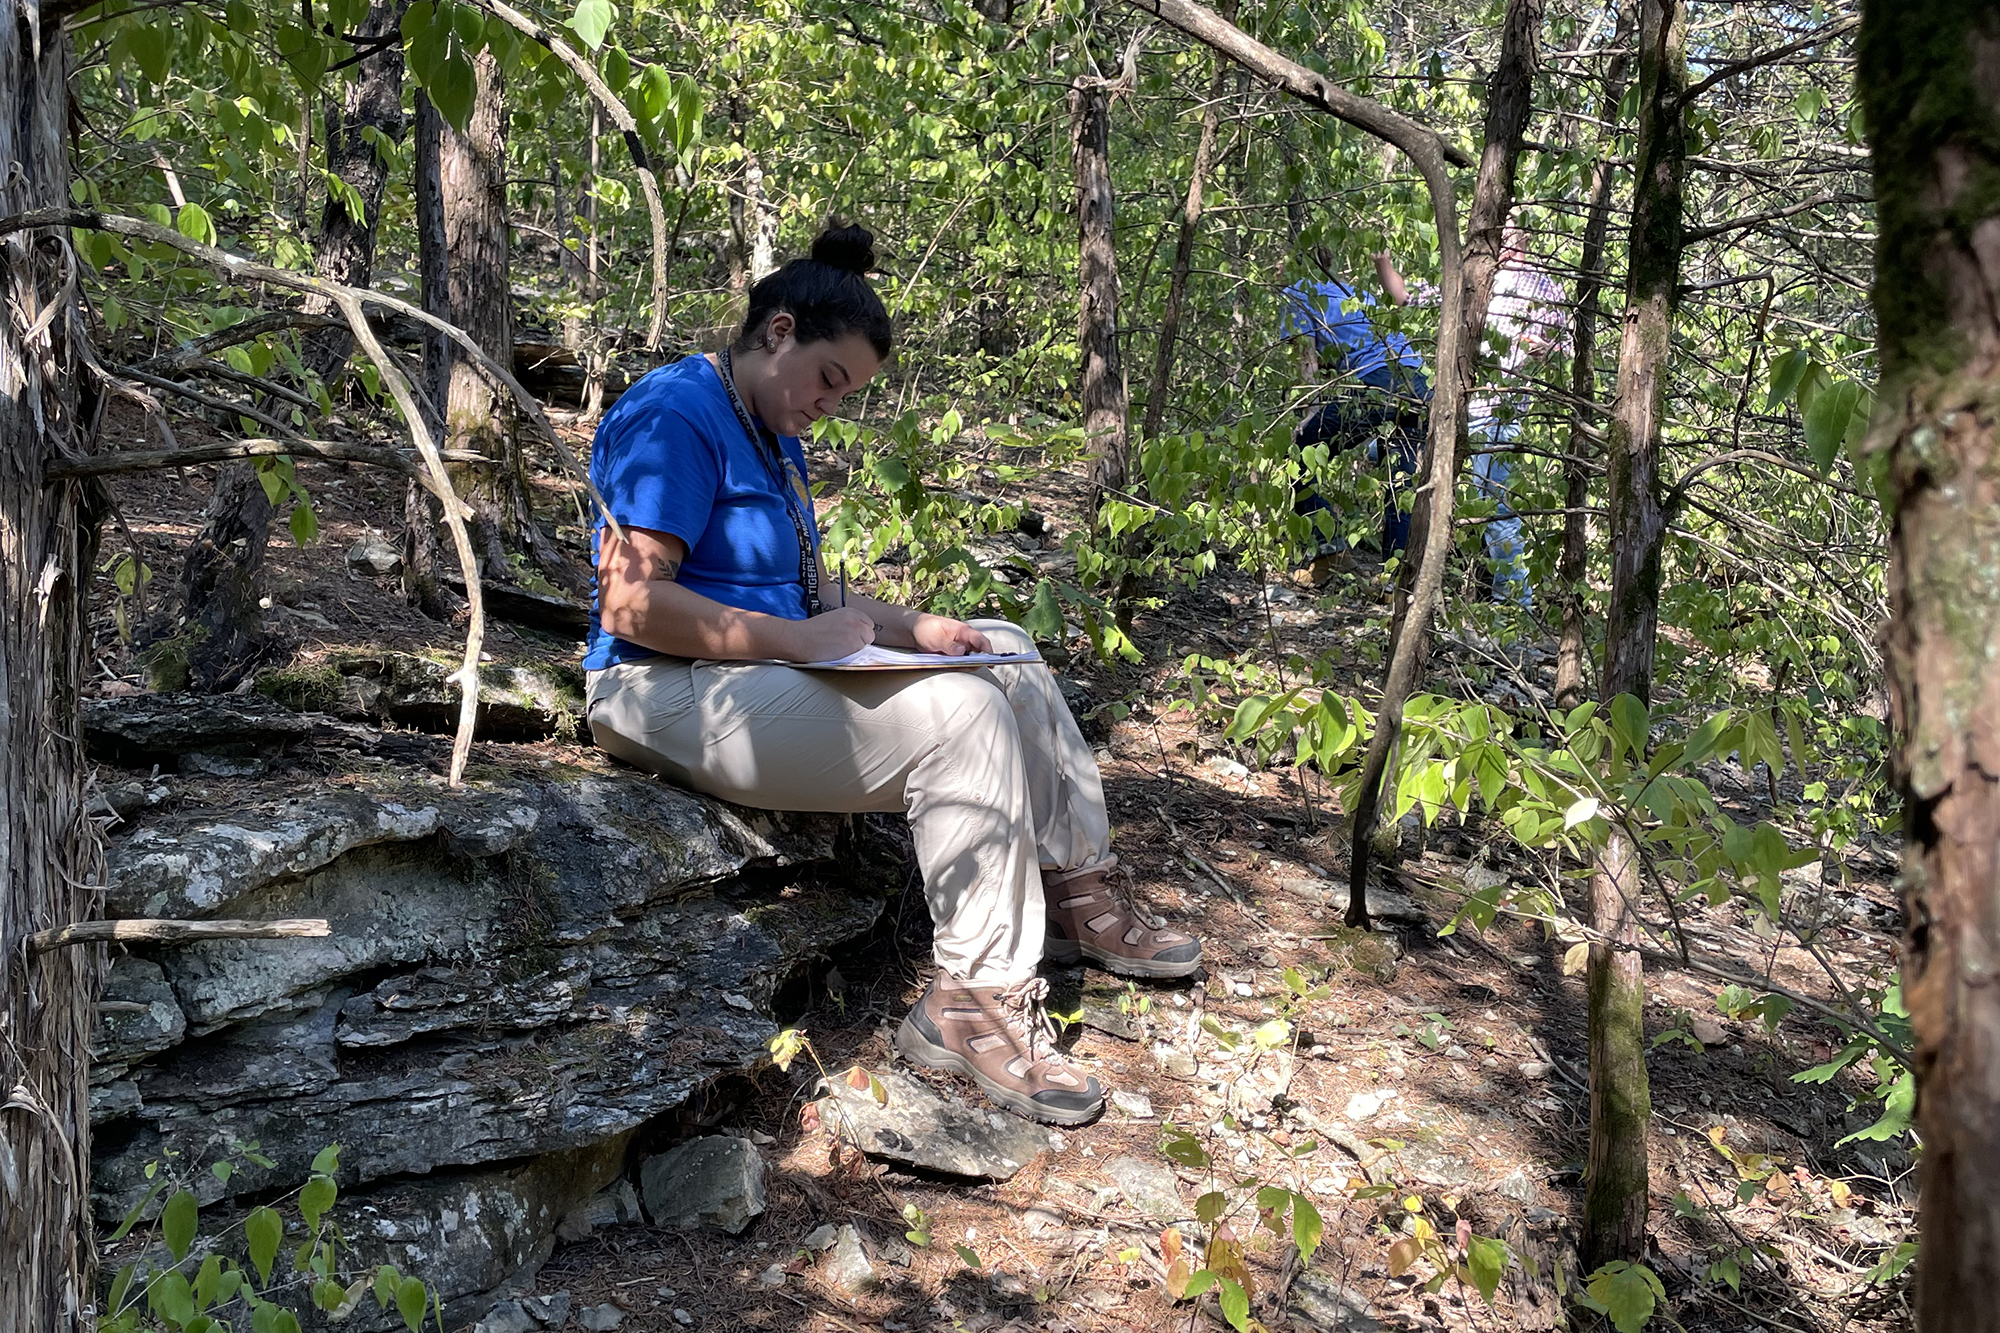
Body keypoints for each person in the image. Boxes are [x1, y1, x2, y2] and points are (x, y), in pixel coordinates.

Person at [581, 224, 1201, 1127]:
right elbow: (631, 607)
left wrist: (916, 626)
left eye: (848, 393)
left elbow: (798, 591)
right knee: (961, 715)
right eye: (829, 379)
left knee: (1003, 651)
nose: (831, 406)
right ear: (780, 332)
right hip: (658, 689)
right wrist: (800, 644)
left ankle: (1074, 893)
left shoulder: (771, 427)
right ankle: (973, 999)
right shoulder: (676, 413)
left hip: (748, 674)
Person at [1281, 250, 1433, 579]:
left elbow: (1306, 356)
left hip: (1378, 382)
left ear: (1297, 262)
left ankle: (1329, 550)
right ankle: (1397, 579)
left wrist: (1311, 411)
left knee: (1300, 452)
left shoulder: (1298, 292)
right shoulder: (1354, 292)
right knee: (1401, 481)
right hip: (1419, 381)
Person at [1466, 225, 1570, 608]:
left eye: (1513, 237)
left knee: (1497, 510)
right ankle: (1483, 595)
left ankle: (1515, 602)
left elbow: (1567, 344)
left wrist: (1546, 348)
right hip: (1465, 406)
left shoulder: (1542, 284)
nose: (1506, 245)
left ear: (1524, 238)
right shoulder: (1480, 274)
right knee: (1471, 505)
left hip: (1502, 409)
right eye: (1502, 236)